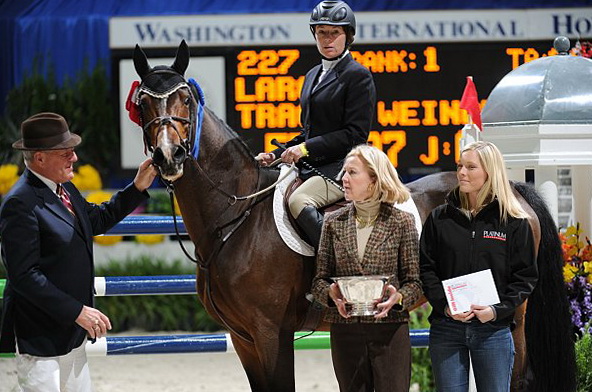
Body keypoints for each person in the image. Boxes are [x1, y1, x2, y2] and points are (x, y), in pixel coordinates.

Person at [0, 112, 158, 391]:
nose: (74, 159)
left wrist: (136, 188)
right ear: (39, 158)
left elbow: (97, 219)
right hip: (40, 339)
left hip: (72, 333)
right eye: (66, 153)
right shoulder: (19, 203)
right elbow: (24, 275)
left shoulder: (65, 189)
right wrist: (77, 311)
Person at [256, 0, 376, 249]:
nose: (327, 39)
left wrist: (306, 149)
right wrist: (276, 155)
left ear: (348, 36)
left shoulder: (358, 76)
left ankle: (339, 259)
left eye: (334, 33)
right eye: (321, 32)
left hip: (343, 166)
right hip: (313, 166)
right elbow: (308, 132)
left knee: (298, 200)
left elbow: (355, 134)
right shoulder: (312, 75)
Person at [419, 141, 538, 392]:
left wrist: (496, 311)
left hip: (493, 331)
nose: (461, 172)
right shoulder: (439, 218)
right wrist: (445, 306)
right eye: (460, 166)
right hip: (447, 328)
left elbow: (524, 278)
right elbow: (427, 270)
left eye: (470, 167)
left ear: (490, 172)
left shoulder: (513, 222)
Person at [311, 144, 422, 392]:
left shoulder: (402, 221)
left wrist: (399, 297)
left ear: (373, 179)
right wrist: (331, 294)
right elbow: (319, 281)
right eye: (344, 172)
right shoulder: (331, 222)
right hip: (344, 330)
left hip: (390, 329)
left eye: (352, 172)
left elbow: (415, 282)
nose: (343, 179)